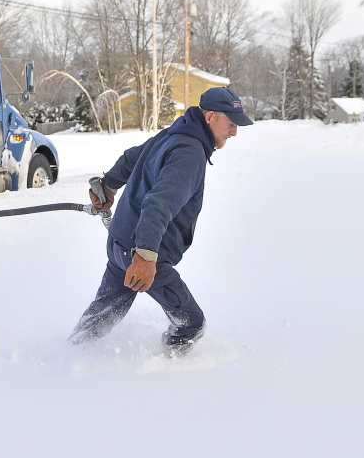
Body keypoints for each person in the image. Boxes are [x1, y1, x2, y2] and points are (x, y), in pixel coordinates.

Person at [69, 87, 253, 355]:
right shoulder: (190, 152)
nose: (234, 132)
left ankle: (68, 355)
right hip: (141, 254)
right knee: (191, 323)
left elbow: (132, 158)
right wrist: (144, 257)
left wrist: (108, 186)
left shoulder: (175, 134)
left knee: (100, 317)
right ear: (211, 116)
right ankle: (168, 375)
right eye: (231, 124)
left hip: (120, 245)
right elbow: (159, 203)